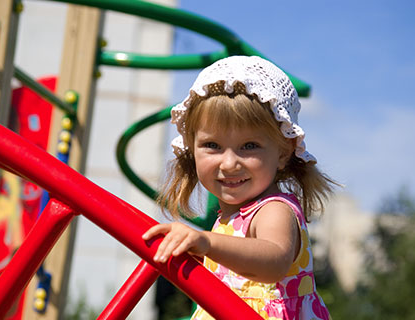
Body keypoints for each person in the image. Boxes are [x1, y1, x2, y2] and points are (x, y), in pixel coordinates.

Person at [142, 56, 336, 319]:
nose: (230, 163)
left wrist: (207, 242)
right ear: (192, 146)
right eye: (212, 145)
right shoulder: (229, 219)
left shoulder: (274, 209)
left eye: (249, 146)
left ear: (283, 152)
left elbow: (275, 259)